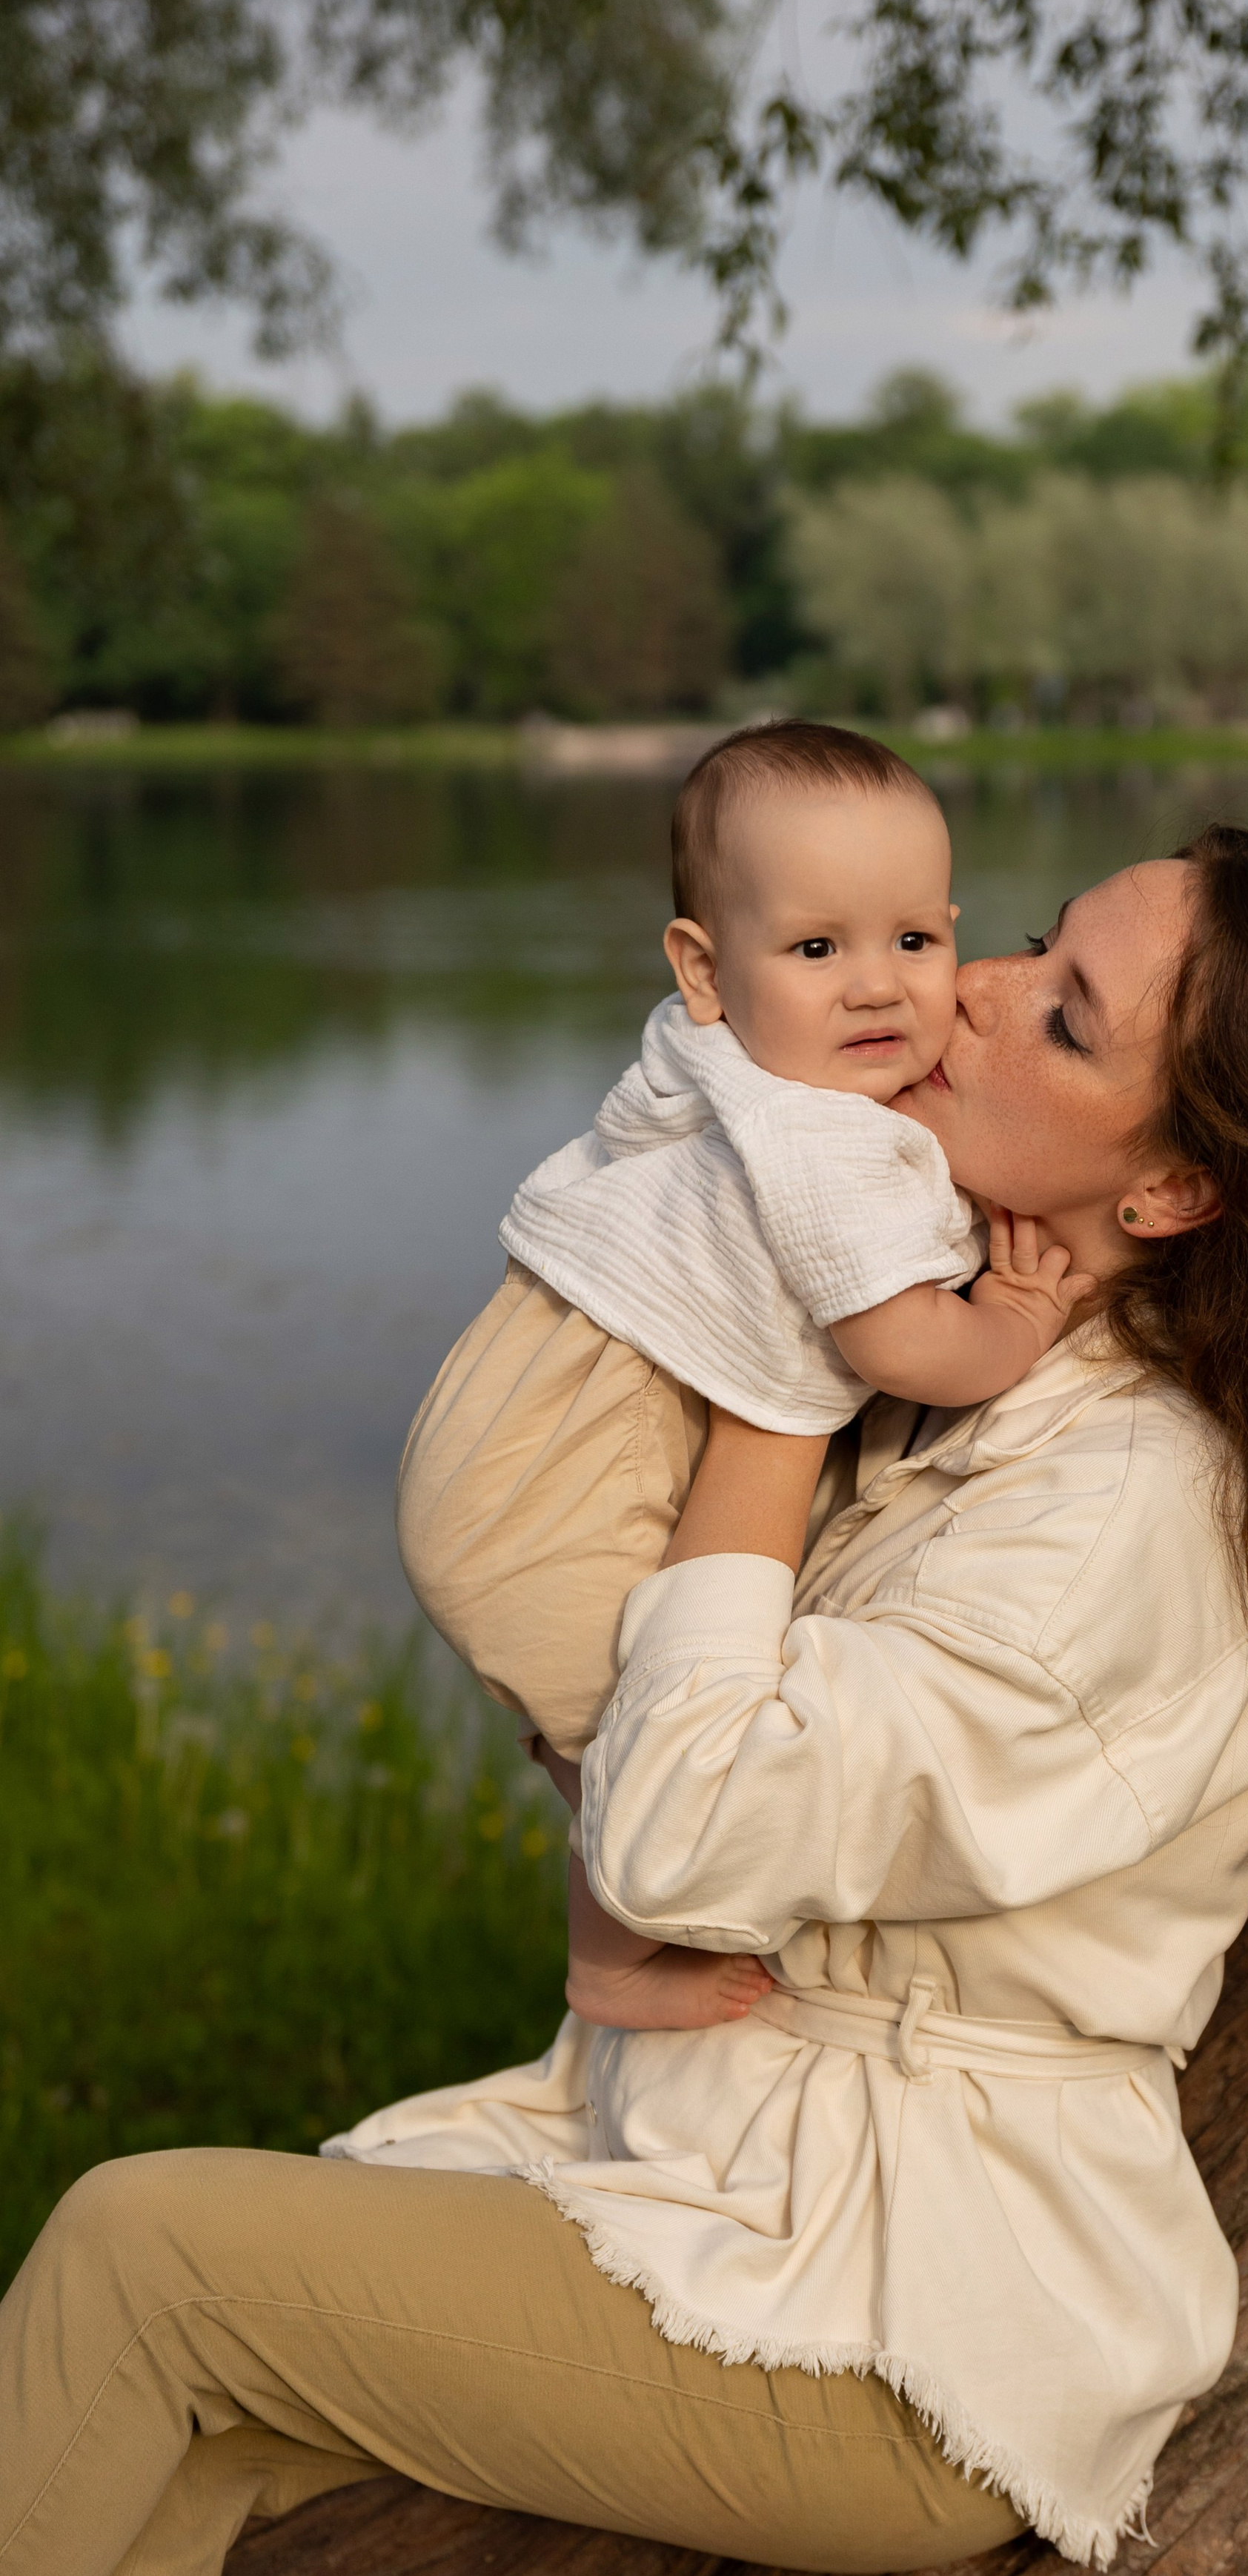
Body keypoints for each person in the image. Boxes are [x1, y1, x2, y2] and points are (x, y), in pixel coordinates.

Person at [0, 826, 1248, 2576]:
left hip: (890, 2327)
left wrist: (772, 1397)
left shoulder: (1113, 1517)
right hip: (743, 2165)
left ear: (1182, 1180)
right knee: (170, 2440)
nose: (962, 988)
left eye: (1059, 1011)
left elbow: (684, 1824)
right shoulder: (1019, 1361)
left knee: (149, 2257)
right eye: (1037, 937)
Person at [398, 718, 1092, 2032]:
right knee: (646, 1733)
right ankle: (607, 1958)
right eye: (818, 949)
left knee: (608, 1709)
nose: (880, 988)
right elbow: (893, 1344)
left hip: (511, 1416)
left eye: (916, 942)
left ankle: (588, 1834)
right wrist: (1011, 1321)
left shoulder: (719, 1061)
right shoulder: (818, 1140)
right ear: (704, 969)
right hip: (560, 1471)